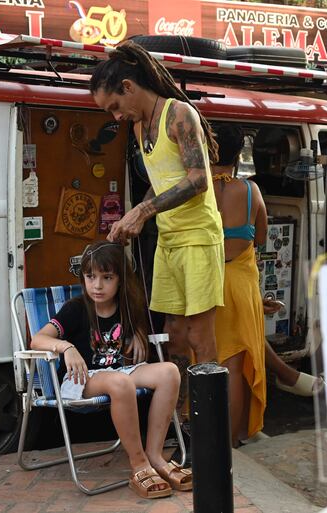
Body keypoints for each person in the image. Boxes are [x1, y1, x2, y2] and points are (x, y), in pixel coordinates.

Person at [89, 41, 224, 382]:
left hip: (198, 238)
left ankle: (208, 426)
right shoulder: (138, 127)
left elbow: (198, 180)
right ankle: (179, 421)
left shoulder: (178, 114)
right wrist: (132, 214)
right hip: (168, 240)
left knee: (199, 335)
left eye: (115, 107)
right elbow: (163, 181)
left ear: (129, 88)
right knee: (173, 334)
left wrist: (144, 211)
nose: (116, 117)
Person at [30, 241, 192, 499]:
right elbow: (37, 339)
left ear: (120, 280)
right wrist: (66, 347)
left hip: (120, 372)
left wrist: (139, 333)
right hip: (82, 379)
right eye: (90, 277)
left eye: (107, 278)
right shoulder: (76, 308)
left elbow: (135, 334)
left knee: (170, 372)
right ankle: (139, 464)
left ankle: (155, 456)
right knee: (120, 382)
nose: (97, 285)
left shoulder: (126, 306)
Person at [211, 124, 324, 446]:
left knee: (213, 361)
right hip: (242, 282)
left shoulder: (197, 190)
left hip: (207, 282)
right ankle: (233, 439)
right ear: (237, 156)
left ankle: (226, 434)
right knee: (238, 362)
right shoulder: (250, 191)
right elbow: (260, 237)